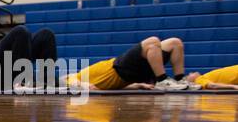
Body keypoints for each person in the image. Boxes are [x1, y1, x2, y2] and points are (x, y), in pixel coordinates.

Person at [62, 36, 192, 91]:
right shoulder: (73, 79)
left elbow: (112, 87)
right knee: (152, 42)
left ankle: (180, 79)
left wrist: (135, 85)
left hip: (126, 72)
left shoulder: (77, 76)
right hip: (119, 69)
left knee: (175, 43)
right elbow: (70, 81)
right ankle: (162, 79)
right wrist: (82, 84)